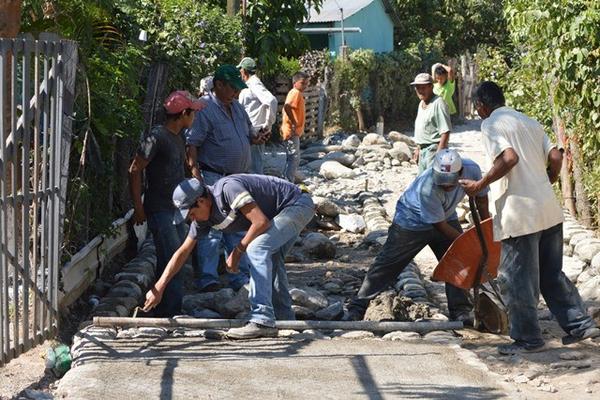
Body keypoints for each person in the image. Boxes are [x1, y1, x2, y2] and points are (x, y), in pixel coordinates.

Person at [460, 81, 599, 355]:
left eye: (477, 108)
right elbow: (556, 157)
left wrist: (480, 184)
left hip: (518, 214)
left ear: (481, 106)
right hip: (547, 209)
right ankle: (581, 325)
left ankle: (527, 339)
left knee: (516, 279)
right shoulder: (529, 121)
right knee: (551, 274)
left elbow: (509, 158)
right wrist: (549, 178)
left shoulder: (491, 125)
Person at [143, 174, 315, 339]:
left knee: (256, 249)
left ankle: (262, 319)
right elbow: (182, 252)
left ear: (201, 201)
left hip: (297, 204)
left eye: (191, 214)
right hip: (284, 212)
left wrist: (237, 252)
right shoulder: (203, 219)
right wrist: (159, 288)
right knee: (272, 258)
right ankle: (286, 321)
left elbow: (260, 222)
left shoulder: (228, 190)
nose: (191, 219)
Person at [345, 149, 489, 323]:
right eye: (442, 182)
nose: (446, 186)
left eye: (450, 183)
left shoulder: (472, 169)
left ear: (460, 172)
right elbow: (440, 226)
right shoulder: (427, 187)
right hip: (411, 220)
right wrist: (468, 243)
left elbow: (481, 199)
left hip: (446, 215)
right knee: (388, 264)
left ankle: (461, 311)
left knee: (457, 260)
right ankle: (357, 307)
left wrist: (486, 231)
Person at [186, 64, 266, 292]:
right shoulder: (205, 109)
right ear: (218, 85)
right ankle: (208, 279)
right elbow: (192, 145)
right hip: (213, 176)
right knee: (210, 229)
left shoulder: (238, 108)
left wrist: (257, 138)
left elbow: (247, 135)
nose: (236, 92)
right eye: (232, 88)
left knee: (238, 225)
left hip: (238, 178)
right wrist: (197, 180)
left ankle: (238, 276)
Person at [128, 90, 206, 317]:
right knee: (172, 259)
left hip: (176, 209)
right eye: (193, 112)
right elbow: (134, 169)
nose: (195, 117)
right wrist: (138, 207)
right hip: (159, 209)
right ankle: (167, 314)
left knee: (175, 260)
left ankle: (168, 310)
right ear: (184, 113)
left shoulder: (178, 136)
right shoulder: (158, 137)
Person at [237, 57, 278, 174]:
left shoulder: (254, 83)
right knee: (249, 164)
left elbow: (271, 101)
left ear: (244, 71)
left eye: (240, 70)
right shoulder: (249, 84)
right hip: (250, 130)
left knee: (254, 165)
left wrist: (267, 125)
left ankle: (257, 190)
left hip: (255, 130)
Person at [410, 73, 452, 174]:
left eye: (423, 87)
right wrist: (418, 148)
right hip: (424, 151)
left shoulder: (438, 103)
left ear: (431, 87)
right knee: (423, 184)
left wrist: (439, 155)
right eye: (417, 87)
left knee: (432, 185)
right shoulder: (422, 103)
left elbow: (445, 131)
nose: (420, 90)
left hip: (434, 150)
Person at [281, 71, 309, 182]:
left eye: (306, 83)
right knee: (294, 159)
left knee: (292, 158)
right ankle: (288, 183)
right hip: (291, 131)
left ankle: (287, 181)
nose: (305, 86)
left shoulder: (296, 93)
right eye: (302, 83)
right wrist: (294, 123)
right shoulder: (295, 93)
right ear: (295, 83)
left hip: (292, 131)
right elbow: (287, 106)